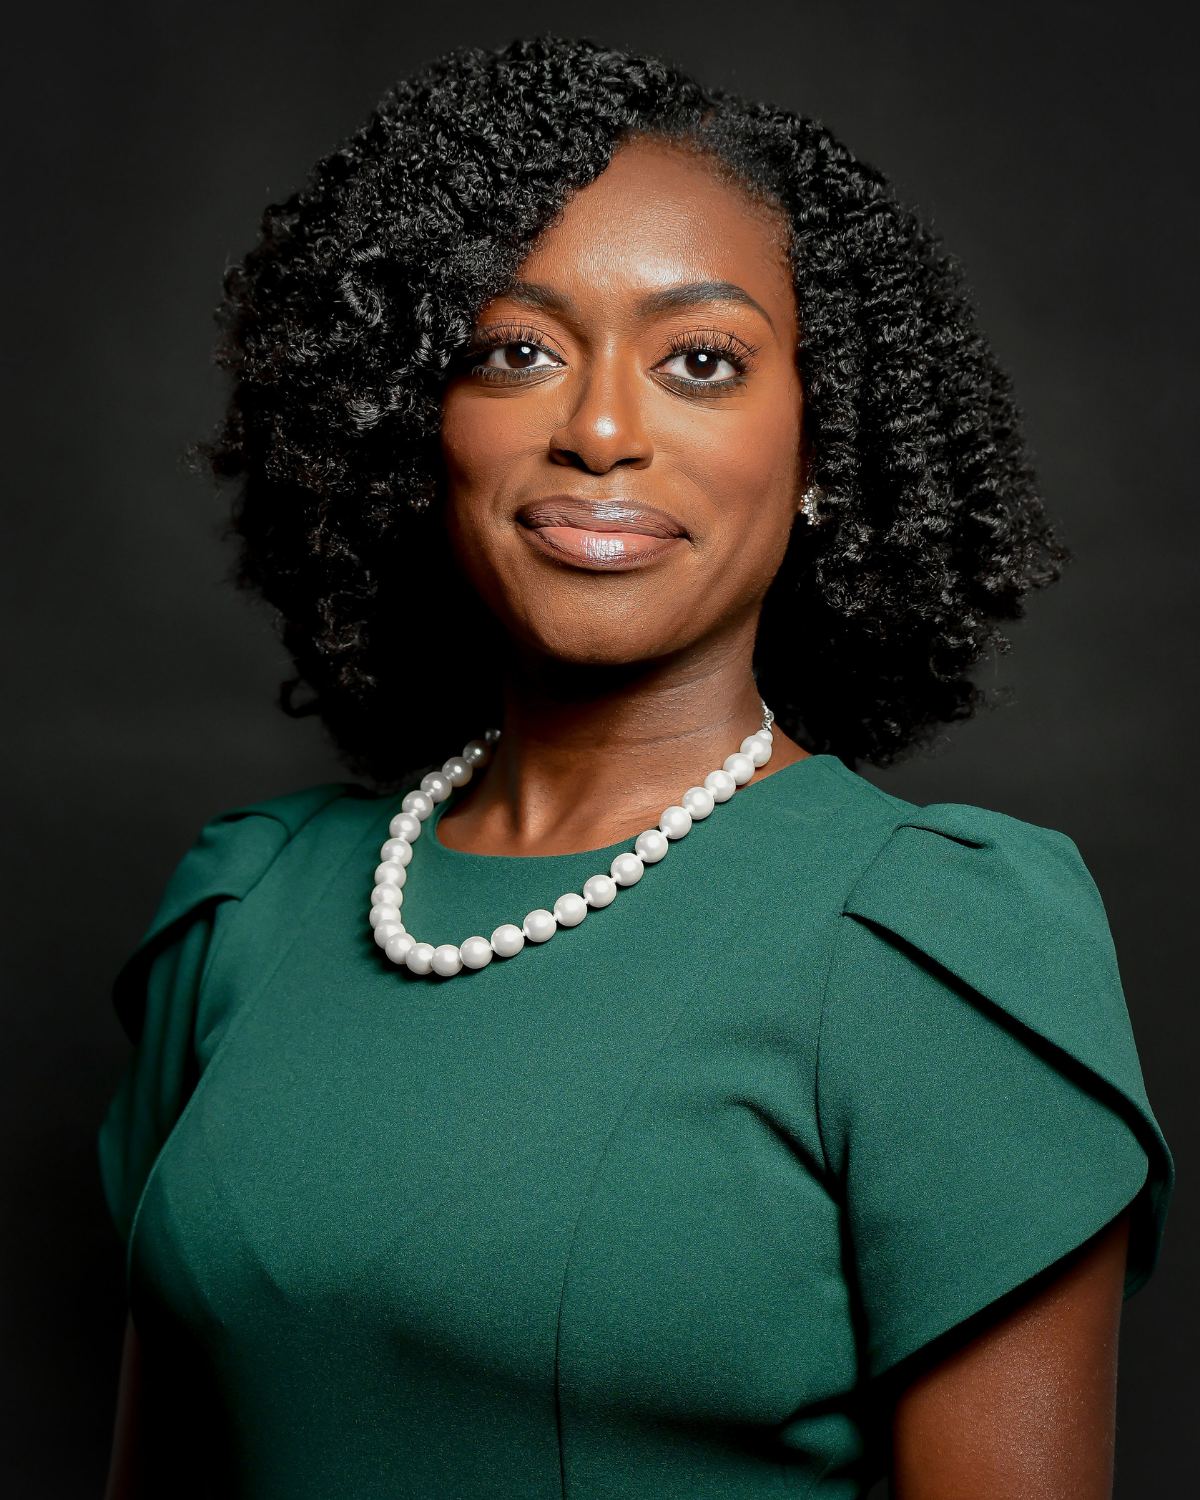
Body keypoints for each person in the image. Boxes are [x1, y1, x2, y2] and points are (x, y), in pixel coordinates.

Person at [100, 36, 1170, 1500]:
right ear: (421, 422)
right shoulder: (242, 913)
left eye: (702, 363)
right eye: (517, 349)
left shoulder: (934, 947)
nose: (600, 430)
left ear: (819, 454)